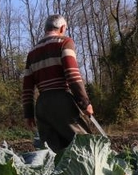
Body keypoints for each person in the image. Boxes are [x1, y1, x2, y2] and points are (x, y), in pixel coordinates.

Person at [22, 14, 94, 153]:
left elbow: (27, 87)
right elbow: (72, 74)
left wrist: (28, 113)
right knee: (84, 146)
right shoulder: (64, 42)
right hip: (61, 100)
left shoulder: (32, 53)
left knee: (53, 153)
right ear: (62, 28)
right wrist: (84, 102)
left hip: (42, 105)